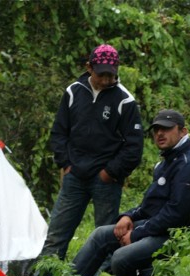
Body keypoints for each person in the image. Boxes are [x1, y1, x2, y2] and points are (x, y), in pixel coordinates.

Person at [71, 109, 190, 276]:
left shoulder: (188, 165)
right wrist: (128, 216)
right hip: (156, 227)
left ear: (183, 131)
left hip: (176, 234)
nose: (160, 133)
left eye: (167, 129)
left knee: (121, 257)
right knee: (101, 235)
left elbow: (176, 215)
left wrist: (137, 234)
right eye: (157, 129)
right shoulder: (167, 162)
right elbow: (150, 205)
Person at [38, 44, 144, 262]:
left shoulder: (125, 100)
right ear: (89, 67)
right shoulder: (72, 92)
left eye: (110, 75)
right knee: (56, 235)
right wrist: (65, 164)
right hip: (75, 175)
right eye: (101, 74)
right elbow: (59, 132)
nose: (106, 80)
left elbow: (134, 147)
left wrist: (110, 172)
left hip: (106, 179)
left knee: (105, 236)